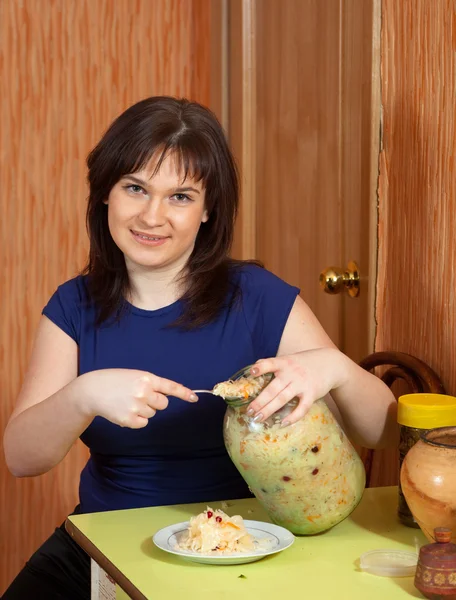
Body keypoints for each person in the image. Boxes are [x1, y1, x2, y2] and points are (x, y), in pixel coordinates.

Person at [3, 96, 397, 599]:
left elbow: (384, 432)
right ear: (105, 193)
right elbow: (21, 458)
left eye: (181, 196)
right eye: (135, 188)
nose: (152, 215)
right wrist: (81, 396)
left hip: (245, 546)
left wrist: (335, 368)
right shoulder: (73, 306)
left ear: (210, 209)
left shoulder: (255, 296)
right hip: (103, 543)